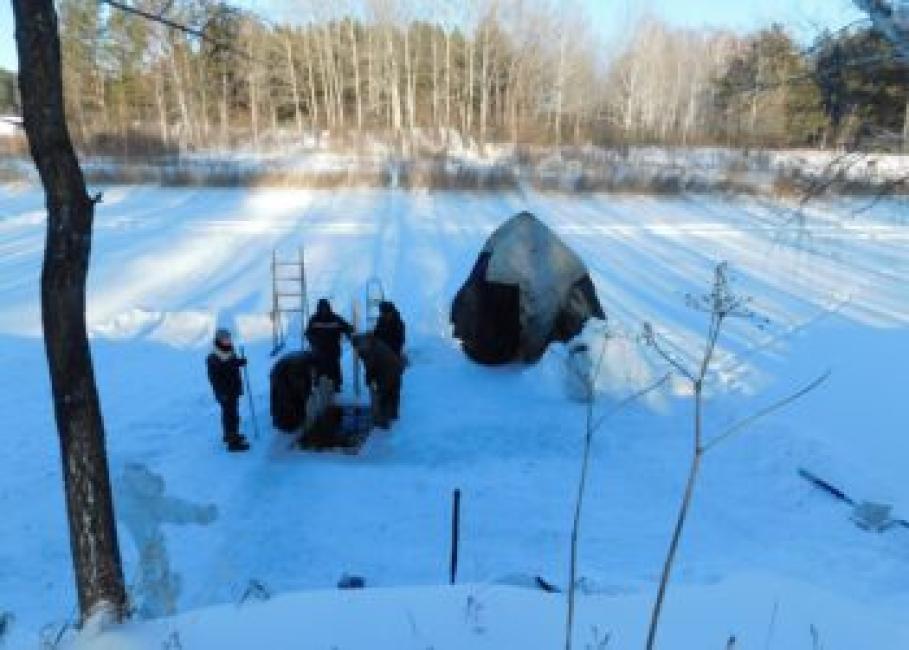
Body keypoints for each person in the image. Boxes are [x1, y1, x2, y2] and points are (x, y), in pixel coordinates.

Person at [206, 328, 250, 452]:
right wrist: (221, 392)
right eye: (225, 339)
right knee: (231, 415)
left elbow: (230, 364)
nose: (228, 341)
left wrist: (239, 362)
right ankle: (233, 443)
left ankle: (229, 435)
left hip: (233, 388)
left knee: (231, 413)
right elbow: (214, 378)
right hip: (225, 392)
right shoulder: (214, 357)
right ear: (219, 340)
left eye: (229, 338)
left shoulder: (228, 350)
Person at [351, 333, 404, 429]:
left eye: (356, 347)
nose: (356, 349)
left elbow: (370, 366)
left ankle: (383, 422)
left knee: (383, 395)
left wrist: (368, 380)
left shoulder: (366, 348)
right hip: (396, 368)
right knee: (393, 393)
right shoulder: (374, 342)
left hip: (386, 372)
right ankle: (393, 414)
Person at [305, 298, 353, 392]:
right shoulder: (314, 319)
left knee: (334, 366)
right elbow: (308, 333)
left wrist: (349, 331)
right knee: (319, 367)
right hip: (319, 349)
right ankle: (318, 384)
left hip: (333, 348)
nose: (324, 310)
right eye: (322, 308)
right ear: (318, 308)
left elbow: (347, 327)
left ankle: (336, 384)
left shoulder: (336, 318)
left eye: (325, 308)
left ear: (329, 308)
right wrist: (314, 341)